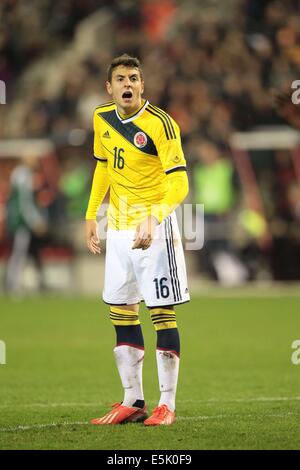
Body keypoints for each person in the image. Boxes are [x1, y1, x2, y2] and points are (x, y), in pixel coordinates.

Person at [85, 54, 189, 426]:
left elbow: (179, 182)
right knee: (121, 311)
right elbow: (102, 165)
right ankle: (133, 400)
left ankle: (167, 404)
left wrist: (154, 216)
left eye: (133, 78)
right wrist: (90, 214)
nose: (127, 84)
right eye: (120, 79)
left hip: (155, 231)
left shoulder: (162, 124)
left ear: (142, 85)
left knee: (161, 312)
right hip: (118, 230)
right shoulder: (101, 117)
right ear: (108, 87)